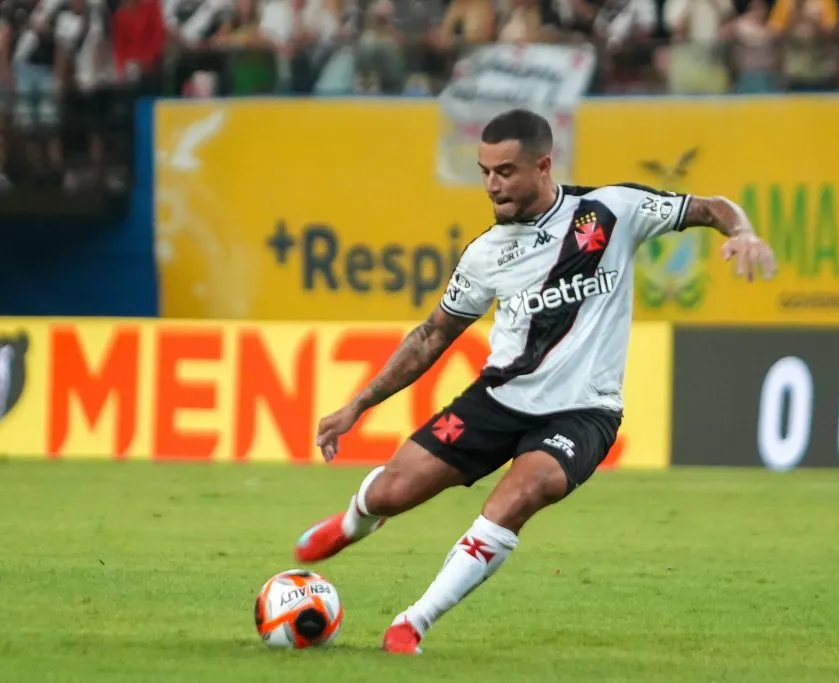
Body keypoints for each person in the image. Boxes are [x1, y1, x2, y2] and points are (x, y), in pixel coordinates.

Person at [294, 108, 777, 655]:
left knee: (522, 493)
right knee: (391, 491)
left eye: (505, 171)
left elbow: (709, 206)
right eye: (484, 172)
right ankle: (355, 522)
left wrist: (743, 231)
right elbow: (431, 336)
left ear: (543, 166)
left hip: (584, 410)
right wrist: (356, 406)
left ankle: (413, 622)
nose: (492, 185)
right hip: (499, 399)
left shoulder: (610, 212)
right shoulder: (485, 254)